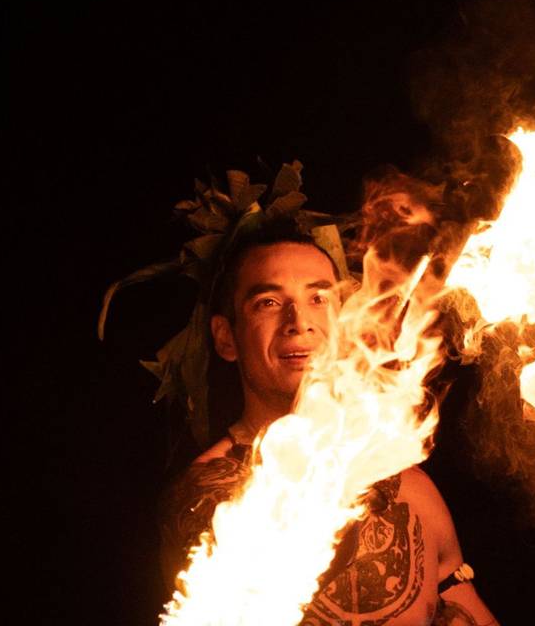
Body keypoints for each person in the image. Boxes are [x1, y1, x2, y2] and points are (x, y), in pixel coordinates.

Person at [159, 219, 498, 625]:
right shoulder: (208, 499)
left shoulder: (413, 488)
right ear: (226, 337)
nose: (297, 320)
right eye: (267, 302)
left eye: (319, 299)